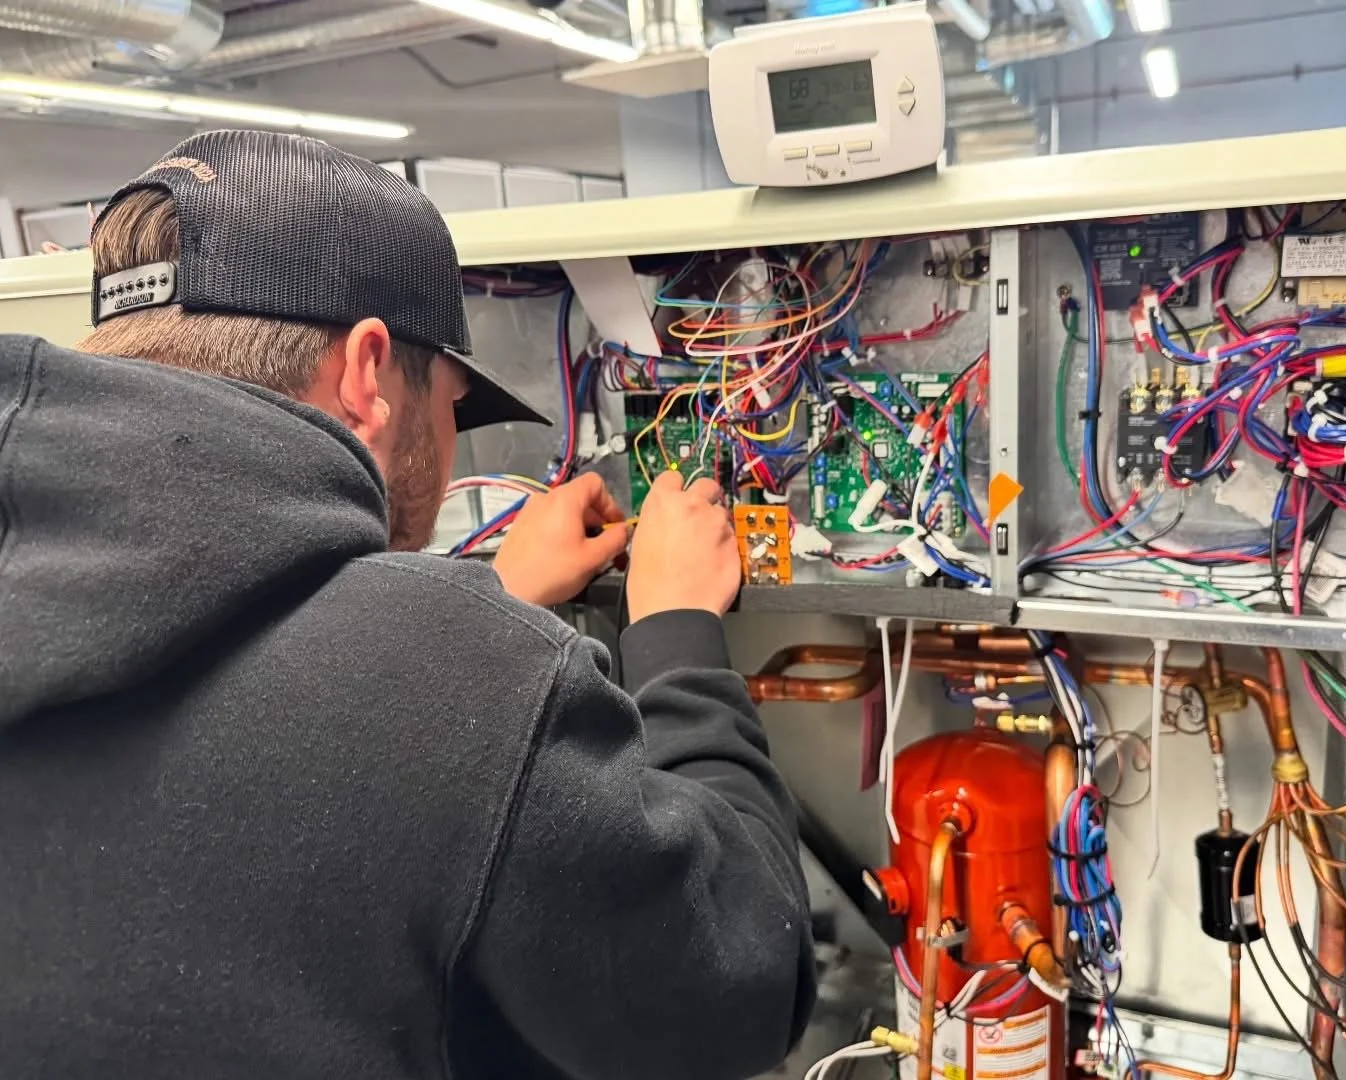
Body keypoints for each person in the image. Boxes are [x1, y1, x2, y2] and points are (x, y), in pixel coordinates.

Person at [0, 129, 815, 1080]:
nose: (450, 439)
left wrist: (486, 612)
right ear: (367, 372)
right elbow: (740, 984)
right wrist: (675, 634)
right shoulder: (459, 676)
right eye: (453, 402)